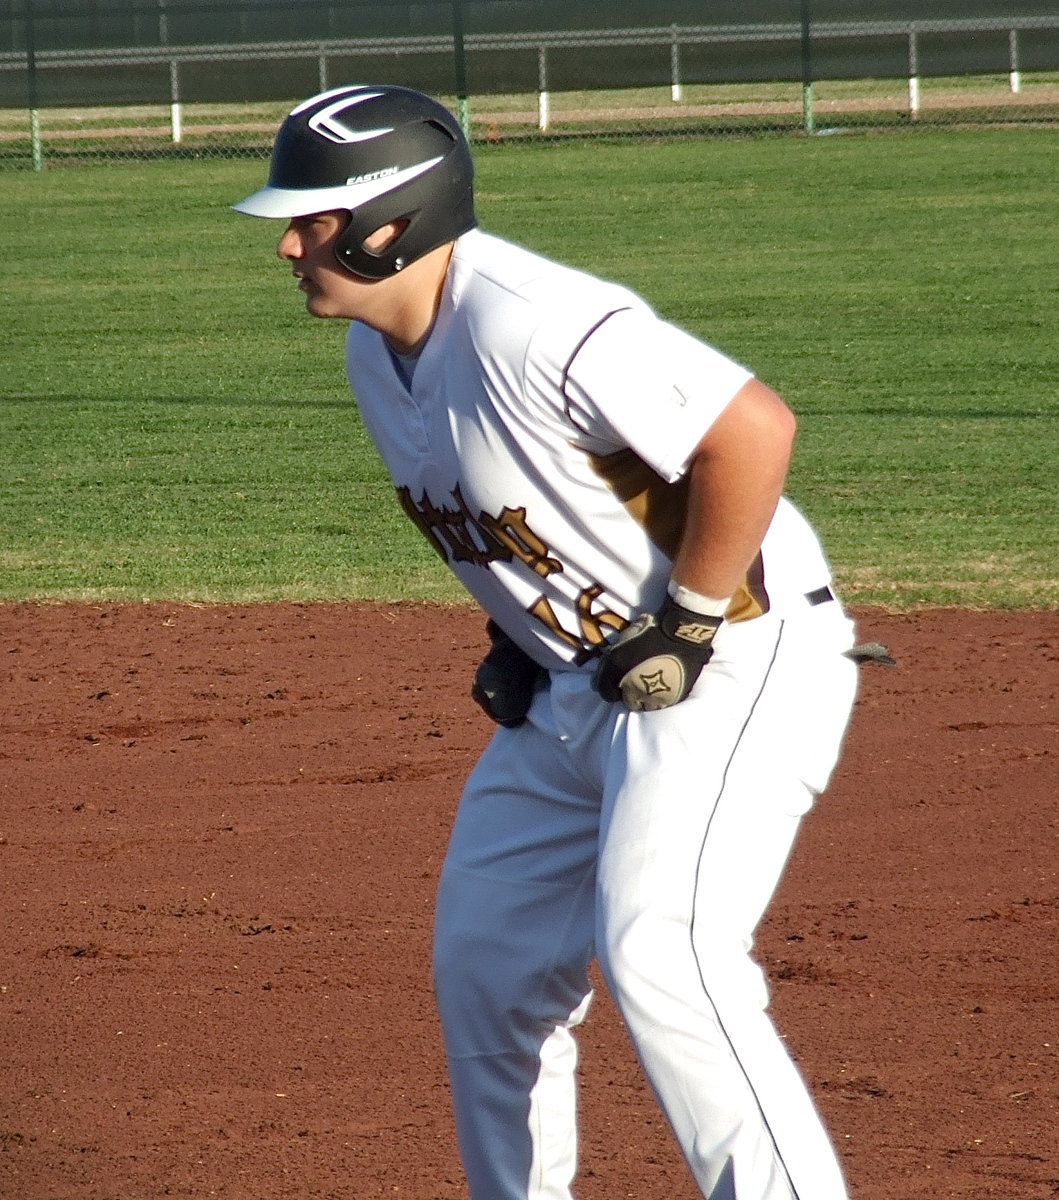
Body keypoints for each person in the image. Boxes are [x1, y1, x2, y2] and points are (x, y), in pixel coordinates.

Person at [235, 83, 861, 1200]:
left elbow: (753, 432)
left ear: (394, 221)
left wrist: (690, 616)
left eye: (313, 219)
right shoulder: (376, 357)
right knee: (486, 968)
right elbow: (530, 515)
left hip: (738, 660)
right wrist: (520, 631)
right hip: (581, 688)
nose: (288, 243)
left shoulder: (536, 318)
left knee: (665, 957)